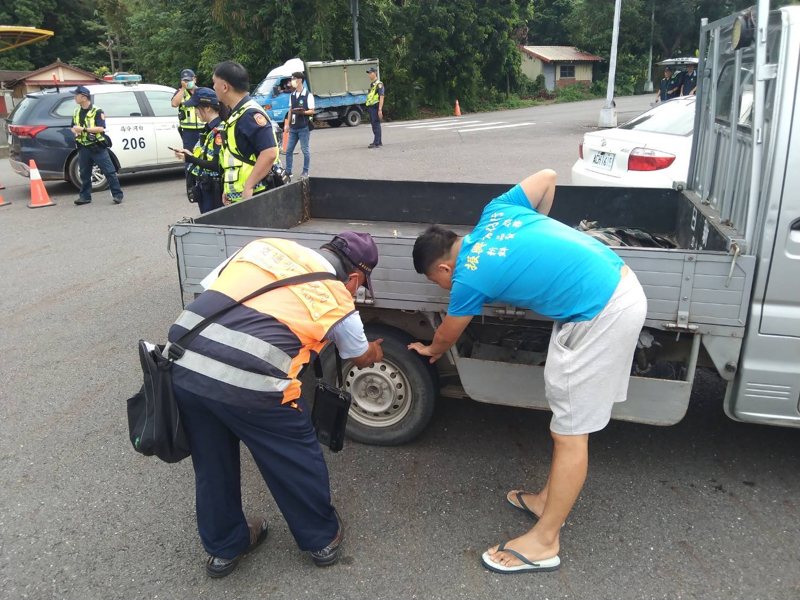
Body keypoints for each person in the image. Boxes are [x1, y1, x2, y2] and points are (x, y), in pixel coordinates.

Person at [408, 169, 647, 574]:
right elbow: (548, 177)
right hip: (611, 284)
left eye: (437, 283)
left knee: (570, 433)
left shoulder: (468, 275)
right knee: (565, 424)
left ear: (444, 270)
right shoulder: (496, 213)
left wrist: (430, 348)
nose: (444, 288)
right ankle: (544, 501)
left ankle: (545, 541)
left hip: (601, 310)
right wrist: (543, 232)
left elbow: (449, 330)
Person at [167, 232, 384, 578]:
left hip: (182, 364)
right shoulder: (336, 296)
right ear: (355, 278)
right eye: (360, 285)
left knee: (212, 463)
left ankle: (225, 548)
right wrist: (376, 349)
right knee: (295, 456)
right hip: (254, 386)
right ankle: (321, 539)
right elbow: (358, 356)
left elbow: (217, 289)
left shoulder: (264, 247)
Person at [212, 61, 279, 204]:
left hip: (257, 196)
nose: (213, 87)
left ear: (224, 87)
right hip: (242, 198)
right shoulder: (237, 113)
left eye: (214, 83)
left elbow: (270, 152)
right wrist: (229, 190)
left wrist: (248, 186)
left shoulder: (249, 114)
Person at [173, 87, 226, 213]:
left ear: (207, 107)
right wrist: (189, 154)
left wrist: (189, 158)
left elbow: (215, 165)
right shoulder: (208, 129)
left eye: (196, 107)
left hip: (215, 190)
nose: (195, 111)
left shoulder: (220, 130)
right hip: (206, 187)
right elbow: (204, 157)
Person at [70, 85, 123, 205]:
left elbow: (100, 128)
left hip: (97, 146)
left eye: (76, 95)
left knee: (109, 171)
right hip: (83, 146)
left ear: (83, 97)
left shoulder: (97, 111)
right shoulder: (76, 111)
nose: (74, 97)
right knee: (84, 173)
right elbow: (73, 127)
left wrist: (83, 130)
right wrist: (75, 132)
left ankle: (117, 195)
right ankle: (85, 197)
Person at [283, 71, 314, 178]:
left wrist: (303, 112)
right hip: (293, 127)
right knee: (288, 150)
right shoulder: (292, 95)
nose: (292, 81)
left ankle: (305, 171)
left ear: (300, 80)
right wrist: (287, 124)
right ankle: (288, 171)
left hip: (304, 127)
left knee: (305, 150)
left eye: (294, 79)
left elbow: (312, 111)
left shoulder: (308, 95)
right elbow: (290, 110)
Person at [171, 69, 205, 153]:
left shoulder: (202, 92)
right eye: (184, 80)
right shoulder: (181, 93)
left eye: (189, 80)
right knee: (189, 155)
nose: (187, 82)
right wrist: (183, 89)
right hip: (188, 132)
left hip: (203, 129)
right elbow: (174, 104)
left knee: (203, 155)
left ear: (194, 79)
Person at [365, 66, 384, 148]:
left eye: (370, 73)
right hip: (371, 106)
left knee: (376, 124)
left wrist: (380, 109)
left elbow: (381, 97)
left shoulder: (379, 84)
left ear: (375, 73)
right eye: (368, 73)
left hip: (375, 106)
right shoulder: (372, 84)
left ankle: (376, 142)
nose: (369, 75)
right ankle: (378, 141)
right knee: (374, 124)